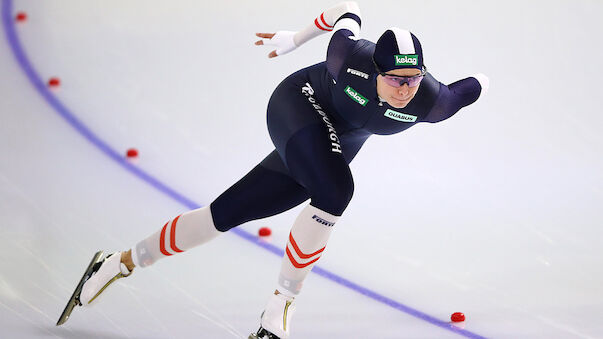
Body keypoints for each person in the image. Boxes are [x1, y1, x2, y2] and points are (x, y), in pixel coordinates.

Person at [56, 2, 489, 338]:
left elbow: (468, 89)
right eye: (395, 79)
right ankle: (281, 305)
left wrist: (485, 79)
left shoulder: (432, 101)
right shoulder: (349, 56)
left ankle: (117, 263)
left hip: (337, 141)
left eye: (412, 80)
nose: (404, 90)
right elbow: (346, 8)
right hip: (299, 105)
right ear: (376, 68)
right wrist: (297, 38)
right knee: (336, 190)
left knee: (223, 215)